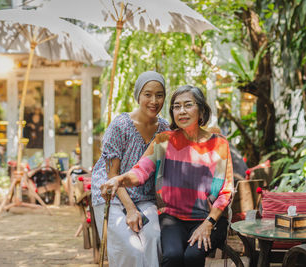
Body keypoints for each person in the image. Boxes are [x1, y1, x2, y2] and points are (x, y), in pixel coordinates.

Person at [101, 85, 234, 267]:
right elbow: (140, 171)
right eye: (176, 106)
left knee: (192, 257)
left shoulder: (219, 144)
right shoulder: (163, 141)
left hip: (209, 218)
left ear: (201, 109)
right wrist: (120, 179)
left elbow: (225, 192)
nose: (182, 111)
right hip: (173, 218)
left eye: (188, 105)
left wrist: (208, 223)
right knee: (172, 256)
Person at [91, 71, 169, 267]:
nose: (154, 100)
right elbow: (112, 174)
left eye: (159, 95)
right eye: (148, 94)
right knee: (129, 248)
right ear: (138, 96)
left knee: (154, 239)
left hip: (145, 195)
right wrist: (131, 209)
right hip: (112, 193)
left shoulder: (165, 129)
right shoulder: (121, 125)